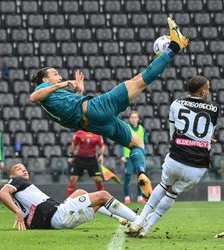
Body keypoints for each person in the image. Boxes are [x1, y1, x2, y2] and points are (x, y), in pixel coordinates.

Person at [29, 17, 189, 200]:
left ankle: (141, 173)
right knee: (139, 81)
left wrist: (79, 92)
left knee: (137, 143)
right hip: (96, 108)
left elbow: (70, 109)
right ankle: (174, 47)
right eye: (55, 74)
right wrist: (64, 83)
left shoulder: (51, 99)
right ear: (44, 80)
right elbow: (33, 97)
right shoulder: (42, 89)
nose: (59, 76)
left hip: (94, 124)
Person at [128, 76, 219, 237]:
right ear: (203, 91)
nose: (209, 91)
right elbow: (206, 133)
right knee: (172, 193)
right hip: (197, 167)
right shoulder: (214, 109)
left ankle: (138, 222)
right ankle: (147, 228)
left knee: (163, 185)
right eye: (208, 88)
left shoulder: (176, 104)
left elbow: (173, 133)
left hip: (176, 159)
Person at [0, 163, 138, 230]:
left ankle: (120, 217)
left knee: (81, 192)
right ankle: (139, 221)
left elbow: (31, 219)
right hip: (59, 215)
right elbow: (2, 193)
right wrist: (17, 212)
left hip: (57, 220)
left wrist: (20, 214)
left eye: (24, 167)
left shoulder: (20, 196)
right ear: (11, 176)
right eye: (18, 168)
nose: (23, 169)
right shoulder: (17, 181)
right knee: (103, 195)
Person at [66, 130, 106, 197]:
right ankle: (68, 200)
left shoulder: (97, 133)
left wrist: (101, 155)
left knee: (98, 180)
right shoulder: (79, 133)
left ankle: (103, 198)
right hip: (79, 159)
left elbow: (102, 145)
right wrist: (71, 155)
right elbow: (74, 144)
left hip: (92, 160)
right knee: (73, 179)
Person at [120, 111, 148, 204]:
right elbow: (121, 143)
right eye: (132, 117)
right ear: (129, 119)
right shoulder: (126, 128)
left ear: (138, 119)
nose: (133, 119)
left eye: (135, 117)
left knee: (141, 176)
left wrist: (144, 153)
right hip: (128, 157)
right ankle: (127, 197)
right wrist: (122, 155)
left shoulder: (142, 129)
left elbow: (145, 143)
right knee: (128, 176)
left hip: (139, 157)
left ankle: (140, 196)